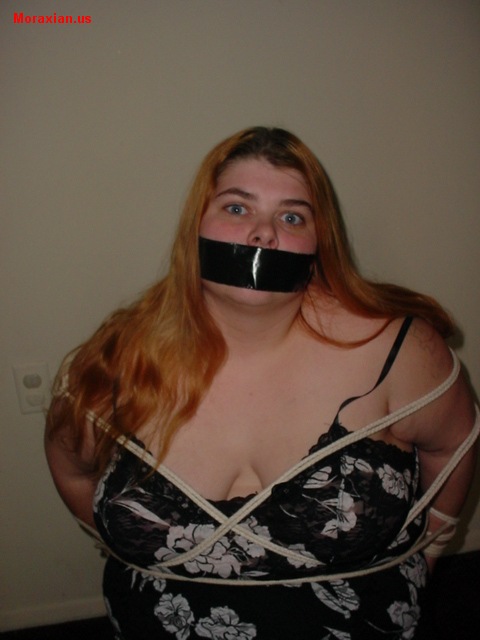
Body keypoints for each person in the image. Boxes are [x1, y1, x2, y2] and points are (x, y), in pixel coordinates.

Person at [45, 127, 479, 639]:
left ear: (320, 242)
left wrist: (429, 550)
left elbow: (455, 441)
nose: (262, 234)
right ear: (195, 227)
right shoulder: (116, 359)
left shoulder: (399, 349)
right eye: (237, 208)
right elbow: (72, 469)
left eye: (291, 217)